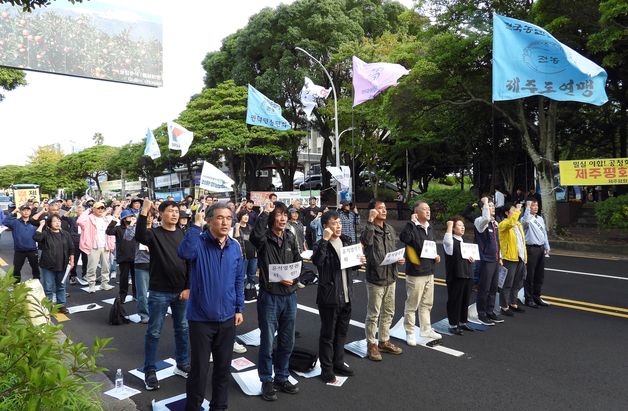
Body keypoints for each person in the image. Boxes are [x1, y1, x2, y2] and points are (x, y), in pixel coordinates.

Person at [178, 204, 244, 411]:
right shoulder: (198, 242)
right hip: (200, 319)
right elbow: (184, 253)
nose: (225, 222)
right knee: (199, 370)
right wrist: (195, 226)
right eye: (219, 218)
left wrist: (239, 308)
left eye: (228, 218)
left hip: (227, 319)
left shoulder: (235, 246)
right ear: (209, 220)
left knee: (223, 369)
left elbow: (238, 280)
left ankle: (219, 407)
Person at [135, 199, 190, 391]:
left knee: (182, 329)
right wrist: (143, 211)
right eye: (170, 211)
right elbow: (140, 235)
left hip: (181, 291)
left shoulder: (183, 234)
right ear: (161, 214)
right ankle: (150, 370)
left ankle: (182, 364)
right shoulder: (154, 234)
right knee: (154, 331)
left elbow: (190, 261)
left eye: (177, 211)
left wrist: (188, 287)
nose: (175, 214)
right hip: (159, 291)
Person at [250, 200, 301, 402]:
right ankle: (266, 380)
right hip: (270, 296)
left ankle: (282, 376)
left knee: (287, 340)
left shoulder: (289, 237)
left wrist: (295, 280)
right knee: (268, 341)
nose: (282, 218)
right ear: (272, 218)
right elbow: (255, 237)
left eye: (285, 215)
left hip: (290, 295)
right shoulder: (264, 239)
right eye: (279, 215)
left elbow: (298, 262)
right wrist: (265, 213)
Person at [312, 211, 365, 383]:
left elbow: (352, 266)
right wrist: (325, 240)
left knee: (342, 332)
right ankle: (326, 369)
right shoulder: (321, 244)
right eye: (334, 223)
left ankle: (338, 362)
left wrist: (360, 260)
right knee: (328, 334)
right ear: (326, 226)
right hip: (329, 297)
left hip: (346, 295)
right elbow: (318, 262)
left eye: (339, 222)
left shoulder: (347, 241)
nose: (338, 226)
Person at [361, 198, 404, 361]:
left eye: (385, 208)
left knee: (389, 311)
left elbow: (391, 250)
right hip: (375, 278)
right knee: (373, 314)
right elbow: (365, 241)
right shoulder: (369, 228)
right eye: (380, 208)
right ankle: (371, 343)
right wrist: (370, 221)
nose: (384, 211)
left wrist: (398, 259)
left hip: (391, 276)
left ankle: (384, 340)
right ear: (373, 211)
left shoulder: (390, 229)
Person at [399, 201, 442, 345]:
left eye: (429, 209)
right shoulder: (411, 227)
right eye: (424, 209)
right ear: (416, 213)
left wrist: (435, 255)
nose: (428, 211)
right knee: (412, 304)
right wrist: (411, 223)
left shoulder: (429, 227)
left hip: (429, 270)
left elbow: (431, 246)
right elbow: (404, 238)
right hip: (416, 272)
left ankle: (426, 329)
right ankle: (410, 332)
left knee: (427, 303)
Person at [33, 215, 74, 314]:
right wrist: (41, 225)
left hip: (63, 265)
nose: (57, 223)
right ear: (50, 223)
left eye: (59, 221)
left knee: (61, 286)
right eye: (55, 221)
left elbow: (71, 248)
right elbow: (36, 237)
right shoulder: (46, 234)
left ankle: (61, 305)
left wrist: (72, 261)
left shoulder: (65, 234)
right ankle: (48, 306)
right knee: (48, 287)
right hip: (48, 266)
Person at [474, 197, 505, 325]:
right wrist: (485, 202)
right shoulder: (480, 221)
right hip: (486, 260)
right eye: (490, 206)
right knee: (484, 288)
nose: (493, 208)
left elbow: (497, 242)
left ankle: (490, 311)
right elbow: (485, 218)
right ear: (483, 209)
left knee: (493, 288)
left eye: (493, 206)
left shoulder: (495, 223)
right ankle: (481, 313)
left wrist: (500, 257)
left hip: (495, 259)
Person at [443, 216, 475, 335]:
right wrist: (449, 225)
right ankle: (453, 324)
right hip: (456, 275)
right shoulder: (450, 241)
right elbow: (447, 240)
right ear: (454, 228)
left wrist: (471, 259)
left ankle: (462, 322)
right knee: (455, 300)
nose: (463, 228)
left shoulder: (464, 241)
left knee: (465, 299)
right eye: (459, 226)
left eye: (463, 225)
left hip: (467, 274)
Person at [77, 201, 116, 293]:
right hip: (93, 246)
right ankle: (91, 284)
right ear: (93, 209)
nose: (101, 210)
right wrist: (88, 210)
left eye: (102, 208)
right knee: (92, 267)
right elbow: (79, 221)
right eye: (98, 208)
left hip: (105, 245)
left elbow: (111, 231)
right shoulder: (89, 218)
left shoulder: (106, 219)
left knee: (106, 266)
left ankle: (104, 283)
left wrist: (111, 244)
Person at [124, 209, 154, 324]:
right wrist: (132, 223)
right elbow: (127, 237)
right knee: (142, 292)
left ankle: (154, 312)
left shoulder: (156, 228)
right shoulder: (137, 228)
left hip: (155, 263)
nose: (149, 218)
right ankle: (144, 315)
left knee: (155, 292)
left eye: (151, 216)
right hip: (141, 263)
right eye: (147, 216)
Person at [498, 202, 527, 317]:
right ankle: (504, 306)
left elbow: (522, 243)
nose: (516, 212)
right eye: (513, 210)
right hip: (509, 258)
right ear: (506, 213)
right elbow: (511, 222)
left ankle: (513, 303)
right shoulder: (504, 224)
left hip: (519, 257)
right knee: (507, 283)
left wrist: (525, 257)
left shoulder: (518, 224)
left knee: (517, 282)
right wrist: (518, 211)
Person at [521, 199, 551, 308]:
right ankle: (528, 299)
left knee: (539, 275)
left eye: (536, 205)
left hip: (540, 248)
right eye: (533, 205)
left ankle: (536, 296)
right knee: (530, 275)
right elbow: (525, 222)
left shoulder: (540, 219)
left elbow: (544, 233)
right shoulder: (526, 219)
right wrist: (527, 208)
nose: (536, 207)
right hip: (531, 248)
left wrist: (547, 246)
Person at [106, 208, 137, 302]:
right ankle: (122, 296)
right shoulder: (119, 229)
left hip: (135, 256)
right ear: (124, 219)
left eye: (132, 216)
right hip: (123, 256)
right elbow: (108, 231)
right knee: (124, 278)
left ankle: (136, 294)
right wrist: (114, 219)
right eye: (129, 217)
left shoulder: (135, 228)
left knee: (136, 277)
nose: (131, 218)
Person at [4, 205, 40, 282]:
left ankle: (37, 285)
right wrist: (13, 212)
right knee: (16, 270)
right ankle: (16, 286)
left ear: (30, 212)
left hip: (32, 250)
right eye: (24, 210)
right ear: (20, 212)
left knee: (35, 269)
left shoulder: (34, 222)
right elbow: (4, 221)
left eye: (28, 210)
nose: (26, 212)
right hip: (19, 251)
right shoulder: (15, 222)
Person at [233, 212, 258, 286]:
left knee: (252, 275)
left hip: (253, 255)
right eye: (244, 215)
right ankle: (242, 293)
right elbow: (236, 240)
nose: (246, 217)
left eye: (247, 215)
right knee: (242, 276)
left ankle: (251, 292)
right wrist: (237, 229)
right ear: (240, 217)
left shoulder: (251, 227)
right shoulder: (236, 227)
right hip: (243, 255)